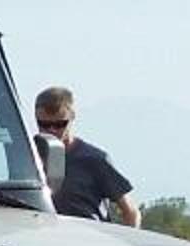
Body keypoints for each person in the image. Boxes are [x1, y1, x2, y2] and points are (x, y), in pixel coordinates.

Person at [33, 87, 140, 225]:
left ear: (72, 117)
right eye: (44, 125)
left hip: (87, 233)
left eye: (59, 124)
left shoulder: (94, 159)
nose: (52, 130)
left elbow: (130, 212)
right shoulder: (28, 157)